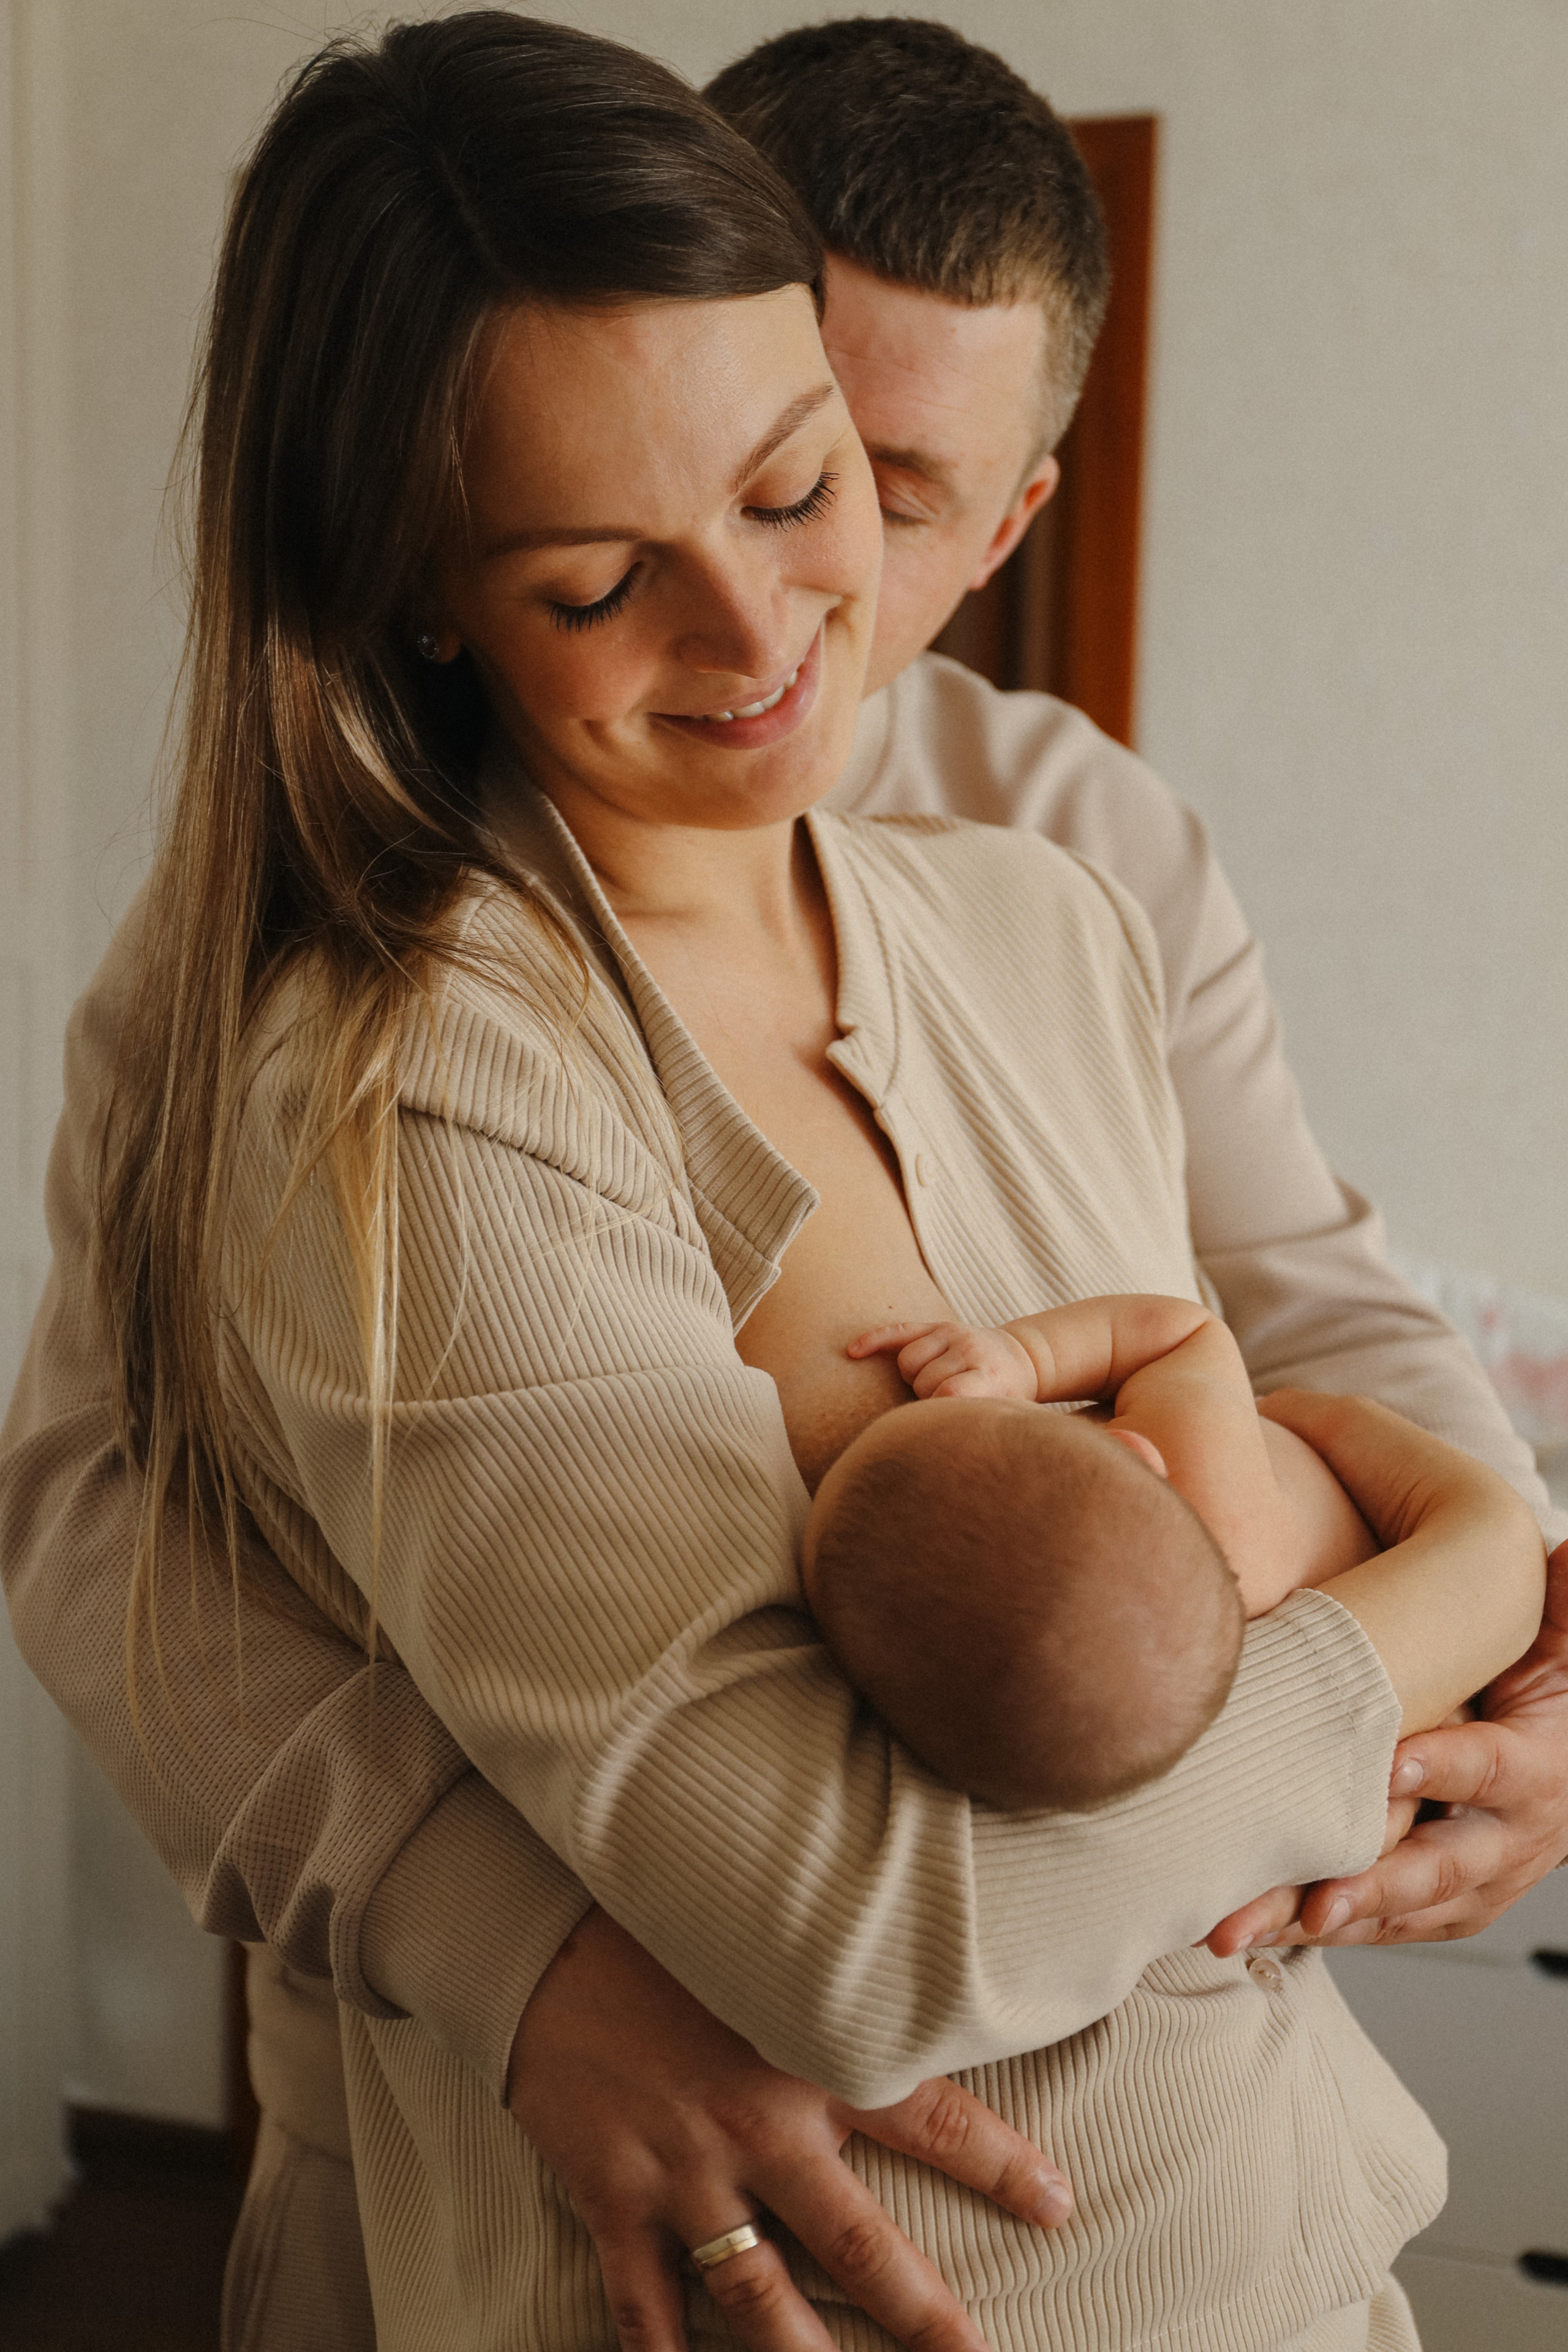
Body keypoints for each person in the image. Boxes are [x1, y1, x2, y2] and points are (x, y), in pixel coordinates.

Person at [1, 13, 1564, 2352]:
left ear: (987, 508)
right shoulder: (370, 1000)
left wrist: (1510, 1626)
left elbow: (1317, 1315)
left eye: (832, 479)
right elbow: (116, 1499)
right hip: (600, 2197)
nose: (756, 619)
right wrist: (511, 1953)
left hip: (1253, 2214)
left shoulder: (1068, 878)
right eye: (595, 551)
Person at [805, 1300, 1545, 1809]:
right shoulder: (1195, 1457)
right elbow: (1183, 1335)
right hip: (1433, 1524)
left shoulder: (1144, 1699)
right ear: (1133, 1451)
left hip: (1443, 1666)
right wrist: (1023, 1359)